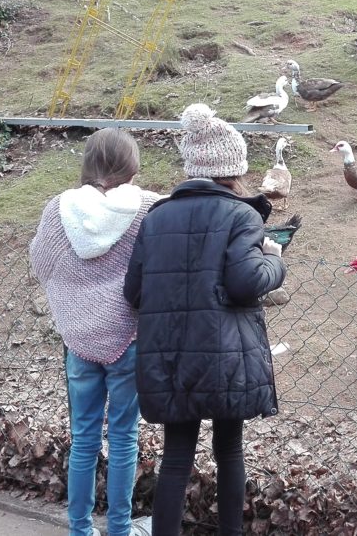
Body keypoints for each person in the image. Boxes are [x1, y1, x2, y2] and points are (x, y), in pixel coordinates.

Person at [124, 104, 286, 536]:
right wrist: (275, 261)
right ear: (234, 169)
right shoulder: (242, 215)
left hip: (171, 357)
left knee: (175, 457)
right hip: (224, 356)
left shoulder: (156, 217)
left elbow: (134, 293)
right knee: (229, 449)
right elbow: (246, 281)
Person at [30, 128, 159, 536]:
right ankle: (119, 530)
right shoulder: (150, 208)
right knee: (123, 437)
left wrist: (75, 299)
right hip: (130, 339)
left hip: (78, 341)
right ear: (132, 166)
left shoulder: (58, 208)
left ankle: (80, 531)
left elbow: (42, 263)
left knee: (83, 438)